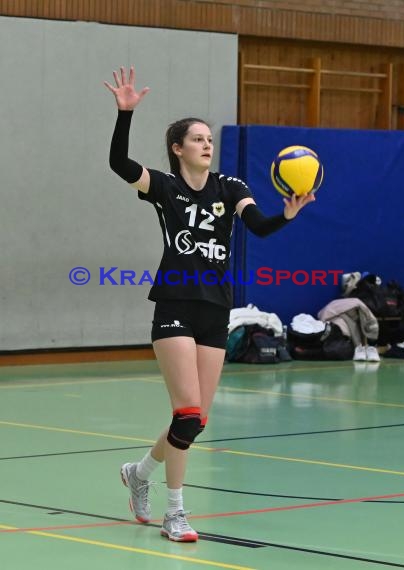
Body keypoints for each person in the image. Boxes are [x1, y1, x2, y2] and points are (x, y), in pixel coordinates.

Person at [104, 65, 315, 542]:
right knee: (187, 415)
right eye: (196, 139)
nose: (206, 144)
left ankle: (138, 473)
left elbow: (258, 225)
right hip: (175, 303)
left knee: (197, 418)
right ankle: (174, 512)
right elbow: (119, 164)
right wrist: (124, 115)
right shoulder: (164, 187)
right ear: (178, 149)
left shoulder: (230, 188)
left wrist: (286, 213)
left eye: (208, 138)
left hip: (215, 309)